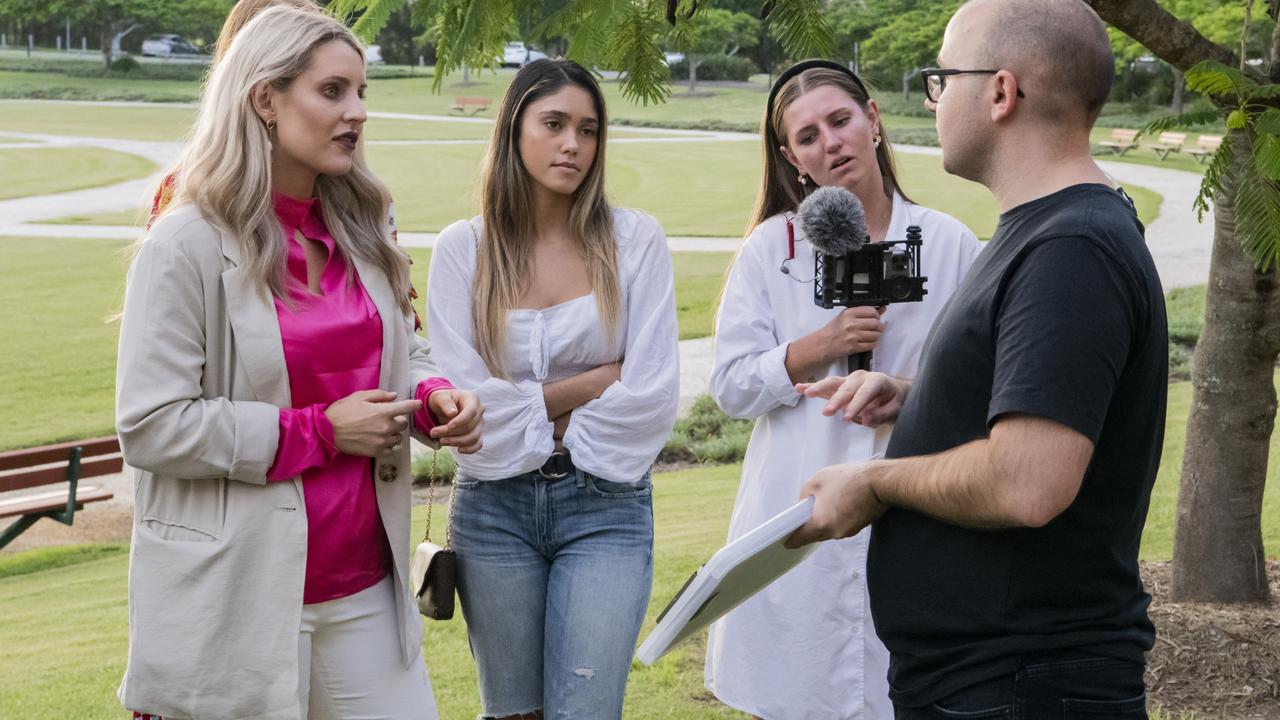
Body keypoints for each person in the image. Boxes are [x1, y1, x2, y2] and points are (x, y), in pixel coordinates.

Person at [788, 1, 1168, 717]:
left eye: (942, 77)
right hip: (996, 682)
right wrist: (924, 396)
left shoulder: (1070, 247)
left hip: (1022, 685)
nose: (933, 99)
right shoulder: (1049, 232)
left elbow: (1030, 480)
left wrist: (876, 482)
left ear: (999, 92)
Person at [114, 7, 483, 719]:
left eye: (362, 93)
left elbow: (402, 349)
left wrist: (433, 397)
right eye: (334, 92)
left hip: (365, 582)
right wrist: (317, 432)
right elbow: (152, 425)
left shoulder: (365, 225)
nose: (358, 113)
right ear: (265, 100)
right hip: (240, 588)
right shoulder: (184, 242)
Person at [703, 59, 981, 720]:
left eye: (840, 120)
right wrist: (821, 346)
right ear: (791, 159)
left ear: (874, 121)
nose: (830, 142)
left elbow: (981, 388)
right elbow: (733, 388)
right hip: (797, 527)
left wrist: (907, 390)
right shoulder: (772, 251)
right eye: (807, 136)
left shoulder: (946, 245)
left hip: (916, 525)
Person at [426, 58, 679, 719]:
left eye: (589, 129)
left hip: (608, 507)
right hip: (492, 510)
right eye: (554, 124)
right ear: (514, 129)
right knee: (512, 714)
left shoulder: (635, 242)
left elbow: (649, 397)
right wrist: (590, 383)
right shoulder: (463, 251)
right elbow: (465, 403)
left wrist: (523, 407)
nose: (573, 145)